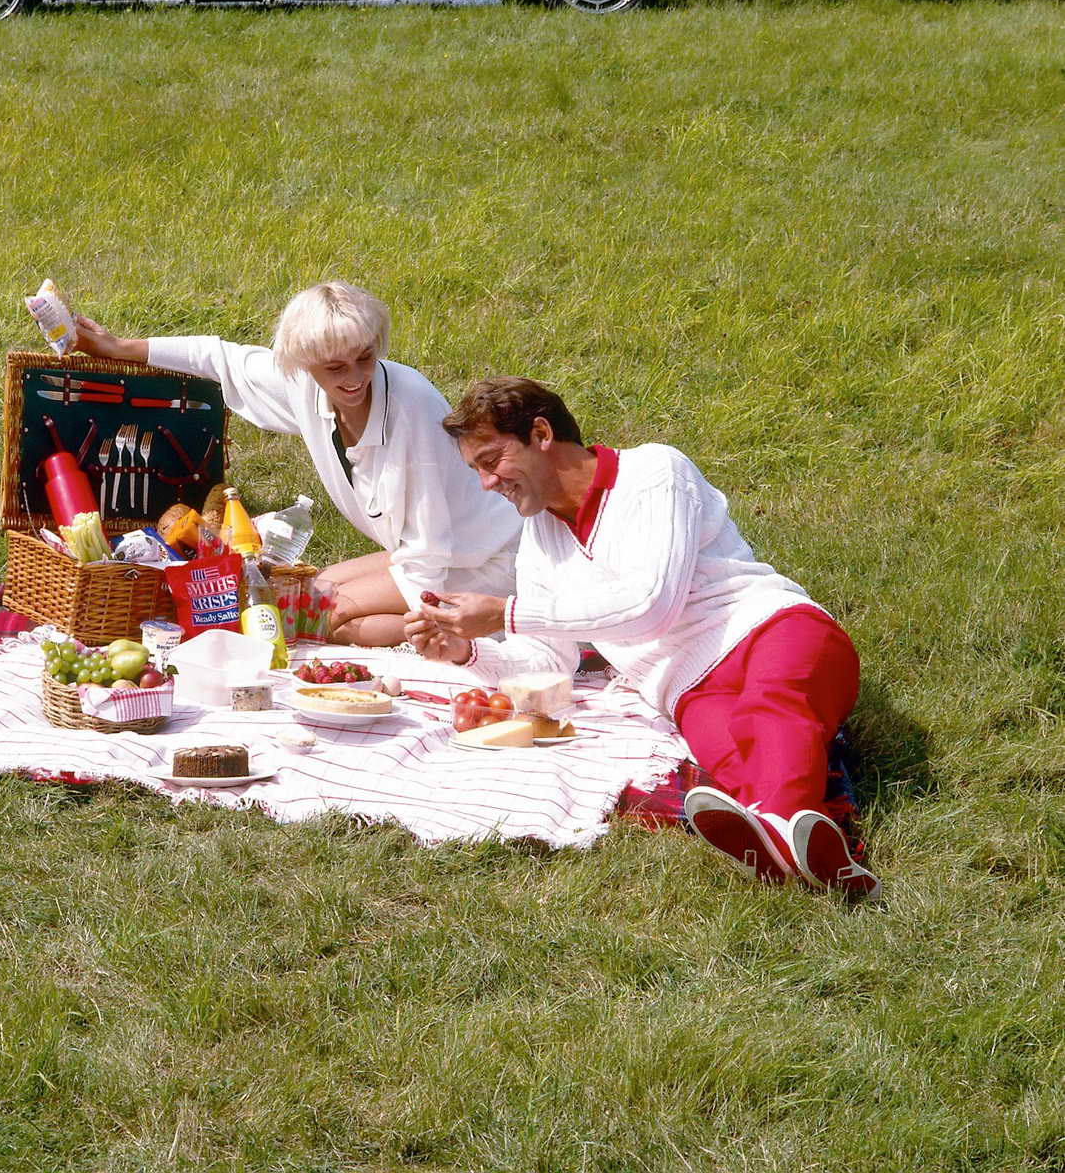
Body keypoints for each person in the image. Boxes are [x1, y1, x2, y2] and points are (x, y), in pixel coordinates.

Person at [406, 377, 881, 900]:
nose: (486, 484)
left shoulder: (655, 472)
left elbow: (651, 605)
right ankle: (810, 856)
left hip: (770, 630)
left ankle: (777, 837)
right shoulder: (539, 538)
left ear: (541, 434)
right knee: (729, 755)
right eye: (476, 469)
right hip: (686, 688)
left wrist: (506, 612)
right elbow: (549, 661)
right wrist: (466, 650)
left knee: (771, 710)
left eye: (491, 460)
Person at [73, 283, 523, 646]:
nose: (354, 378)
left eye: (365, 358)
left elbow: (429, 545)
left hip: (485, 556)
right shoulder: (303, 381)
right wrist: (118, 346)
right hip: (432, 547)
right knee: (306, 590)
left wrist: (428, 614)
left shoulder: (412, 408)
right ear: (306, 363)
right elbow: (219, 357)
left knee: (317, 613)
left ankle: (478, 632)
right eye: (335, 368)